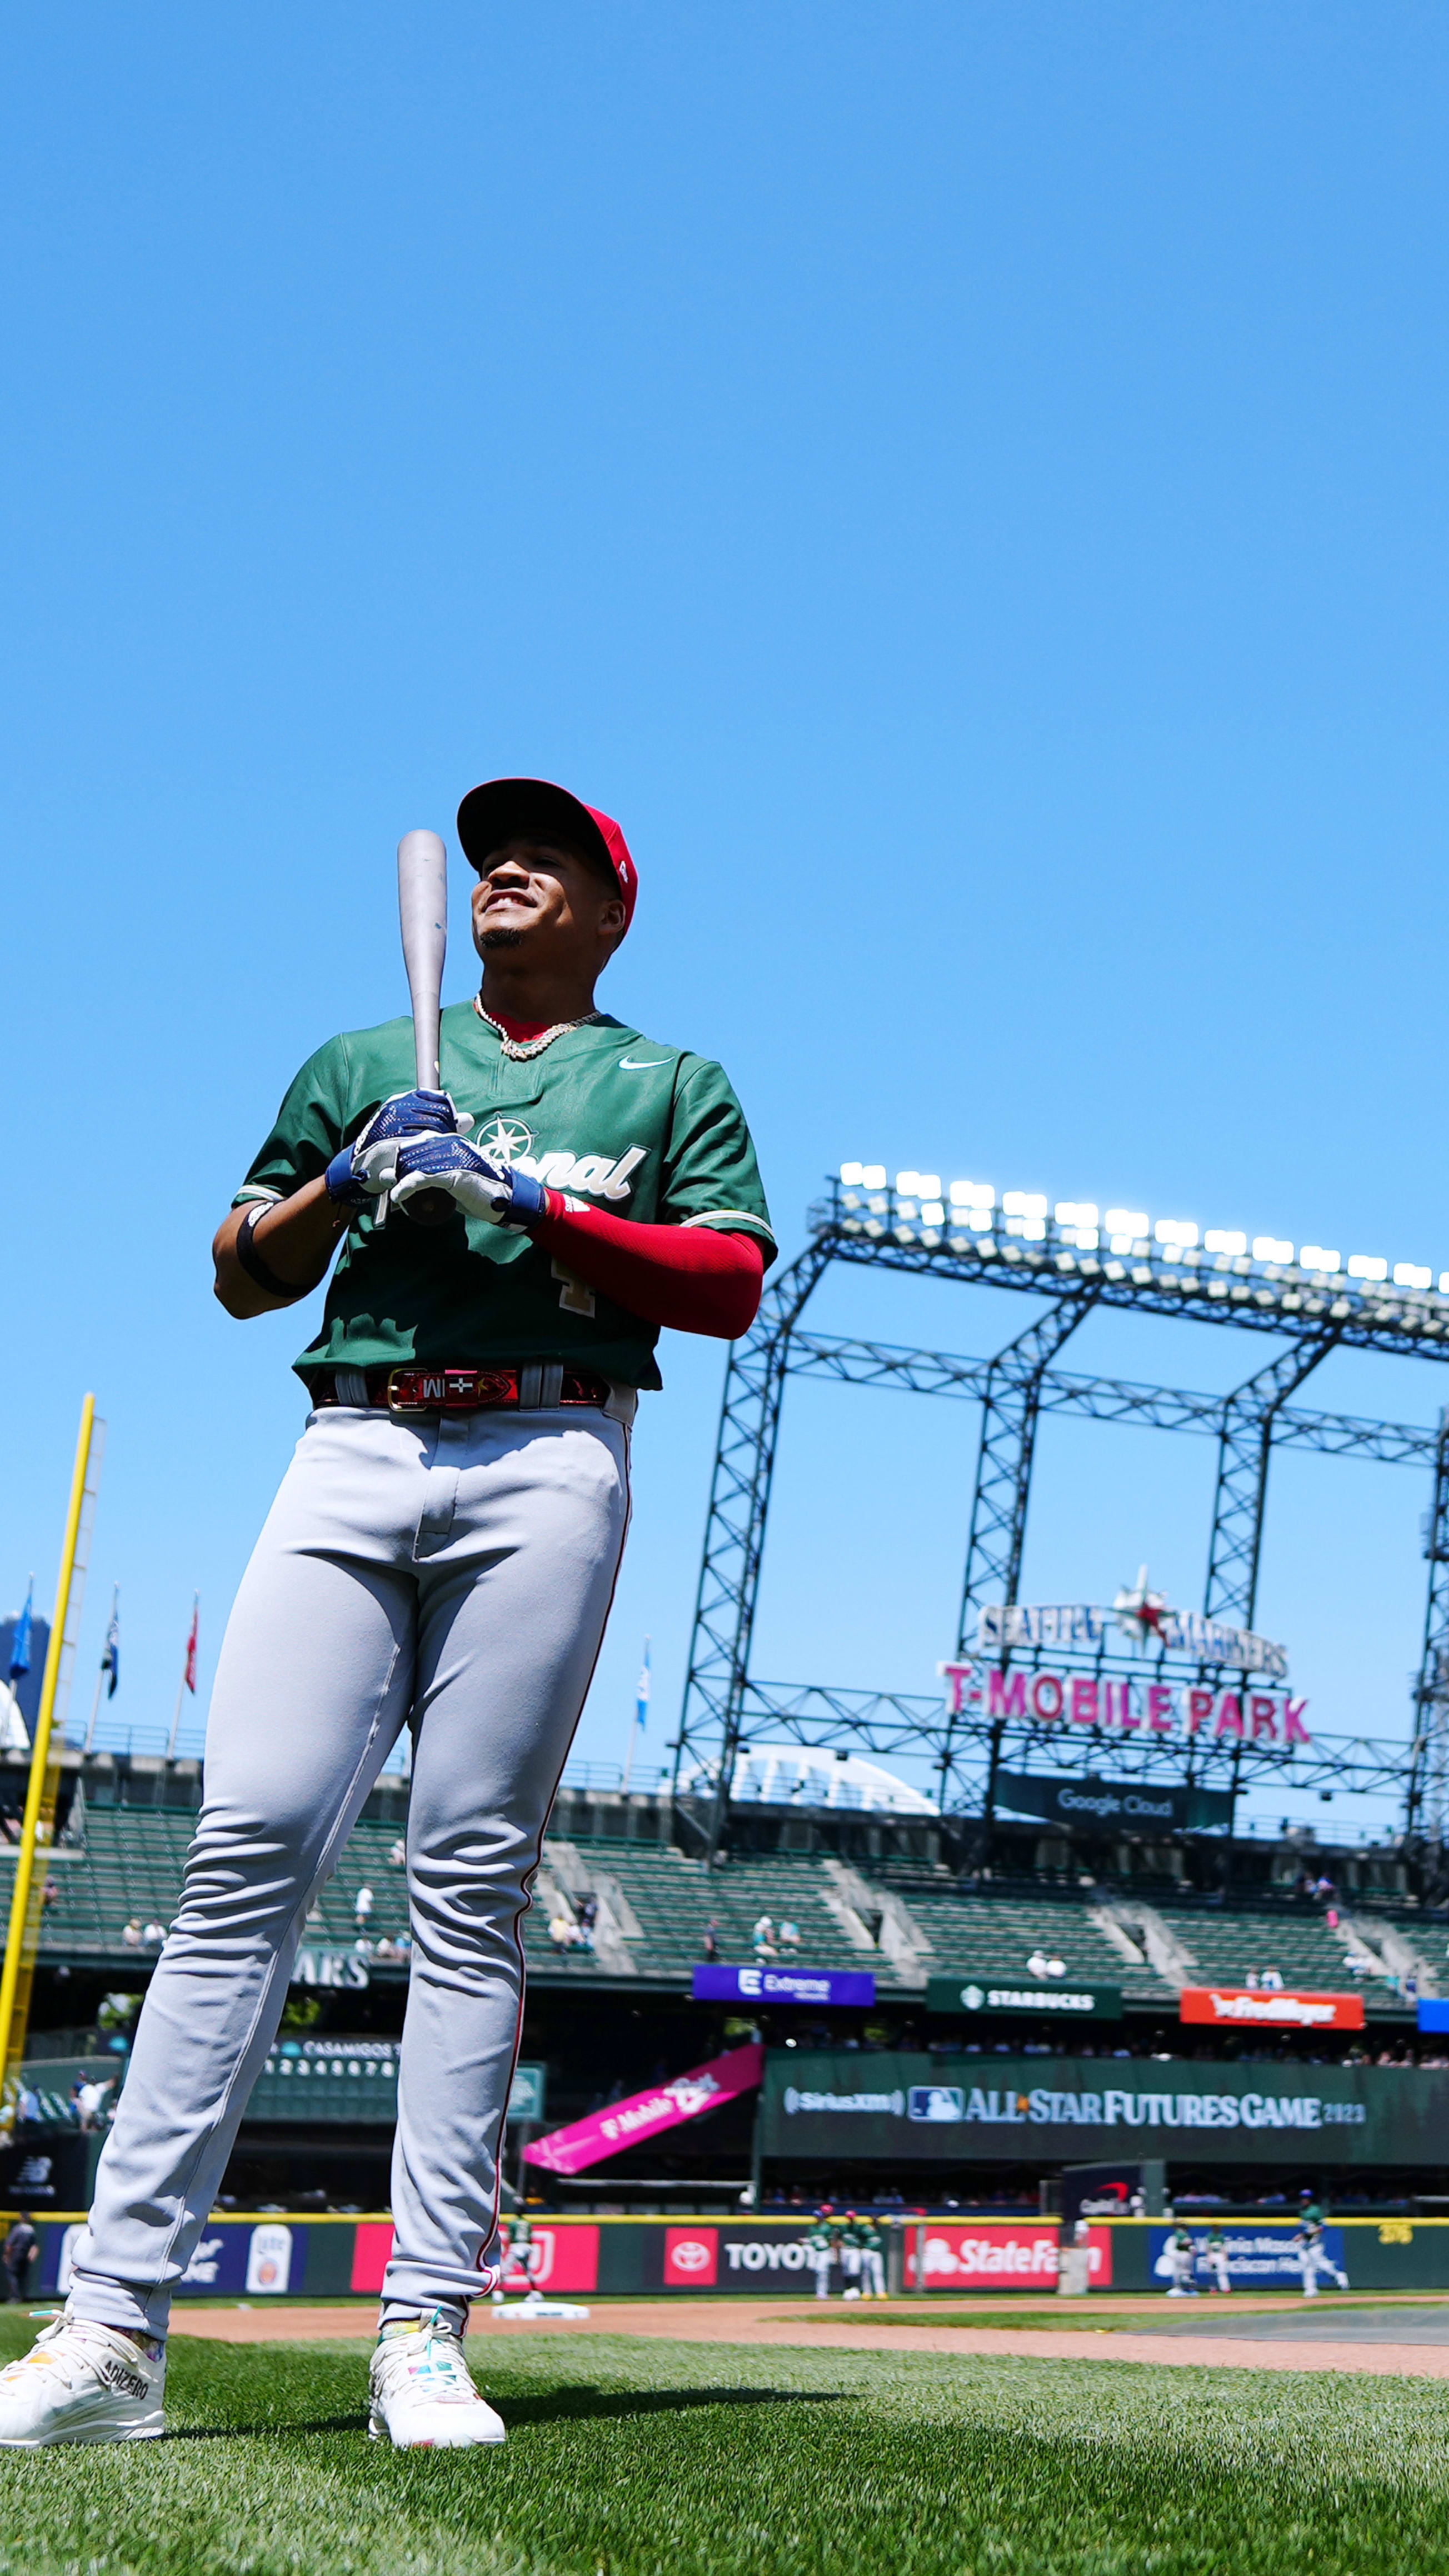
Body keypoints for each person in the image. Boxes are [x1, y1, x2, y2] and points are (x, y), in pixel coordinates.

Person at [0, 775, 773, 2452]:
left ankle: (422, 2328)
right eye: (493, 850)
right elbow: (240, 1268)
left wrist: (526, 1201)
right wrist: (355, 1180)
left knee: (471, 1879)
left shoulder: (665, 1079)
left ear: (611, 908)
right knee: (242, 1855)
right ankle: (110, 2329)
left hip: (550, 1446)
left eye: (548, 854)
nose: (504, 866)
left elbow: (727, 1281)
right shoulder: (363, 1059)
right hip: (353, 1442)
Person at [1296, 2214, 1348, 2298]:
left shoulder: (1318, 2217)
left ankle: (1339, 2275)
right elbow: (1304, 2232)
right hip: (1304, 2247)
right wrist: (1301, 2235)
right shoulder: (1303, 2220)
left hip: (1315, 2246)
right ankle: (1311, 2289)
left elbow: (1324, 2226)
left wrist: (1313, 2231)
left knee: (1322, 2265)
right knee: (1307, 2268)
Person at [2, 2216, 37, 2307]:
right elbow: (34, 2247)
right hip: (25, 2256)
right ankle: (22, 2295)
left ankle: (15, 2297)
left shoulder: (18, 2229)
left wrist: (7, 2255)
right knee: (22, 2277)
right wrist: (32, 2256)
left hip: (16, 2255)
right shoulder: (31, 2230)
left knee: (12, 2275)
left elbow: (9, 2244)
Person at [806, 2211, 835, 2300]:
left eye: (819, 2217)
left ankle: (822, 2293)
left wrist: (833, 2252)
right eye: (816, 2217)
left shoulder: (827, 2227)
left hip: (825, 2251)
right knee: (817, 2271)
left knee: (822, 2271)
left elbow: (832, 2240)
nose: (818, 2218)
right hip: (815, 2251)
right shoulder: (813, 2228)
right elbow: (810, 2240)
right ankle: (820, 2293)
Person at [858, 2215, 886, 2300]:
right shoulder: (865, 2229)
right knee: (866, 2273)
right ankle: (867, 2293)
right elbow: (860, 2240)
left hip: (877, 2252)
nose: (876, 2223)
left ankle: (880, 2292)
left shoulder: (880, 2230)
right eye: (874, 2221)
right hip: (867, 2251)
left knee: (878, 2272)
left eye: (877, 2221)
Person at [1204, 2226, 1232, 2295]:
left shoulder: (1221, 2236)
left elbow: (1224, 2247)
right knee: (1212, 2273)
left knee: (1222, 2272)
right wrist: (1209, 2256)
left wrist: (1225, 2256)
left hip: (1220, 2255)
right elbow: (1208, 2247)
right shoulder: (1210, 2236)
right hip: (1213, 2254)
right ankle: (1213, 2289)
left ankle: (1225, 2288)